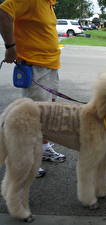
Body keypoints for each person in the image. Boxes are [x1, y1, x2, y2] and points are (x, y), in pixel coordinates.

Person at [0, 0, 66, 177]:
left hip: (51, 67)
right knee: (31, 118)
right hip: (35, 67)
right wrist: (10, 47)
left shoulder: (48, 3)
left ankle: (43, 148)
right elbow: (3, 12)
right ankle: (24, 161)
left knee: (47, 115)